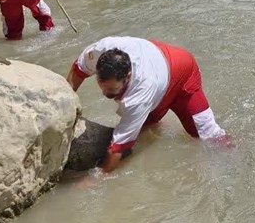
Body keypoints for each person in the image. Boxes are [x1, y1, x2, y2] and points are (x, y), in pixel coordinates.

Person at [66, 36, 228, 173]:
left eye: (112, 89)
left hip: (183, 72)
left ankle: (238, 152)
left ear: (128, 76)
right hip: (156, 57)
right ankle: (155, 117)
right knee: (146, 126)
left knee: (208, 135)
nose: (106, 93)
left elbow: (117, 148)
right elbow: (77, 71)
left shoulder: (140, 95)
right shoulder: (98, 51)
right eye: (102, 85)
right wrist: (66, 104)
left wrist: (99, 177)